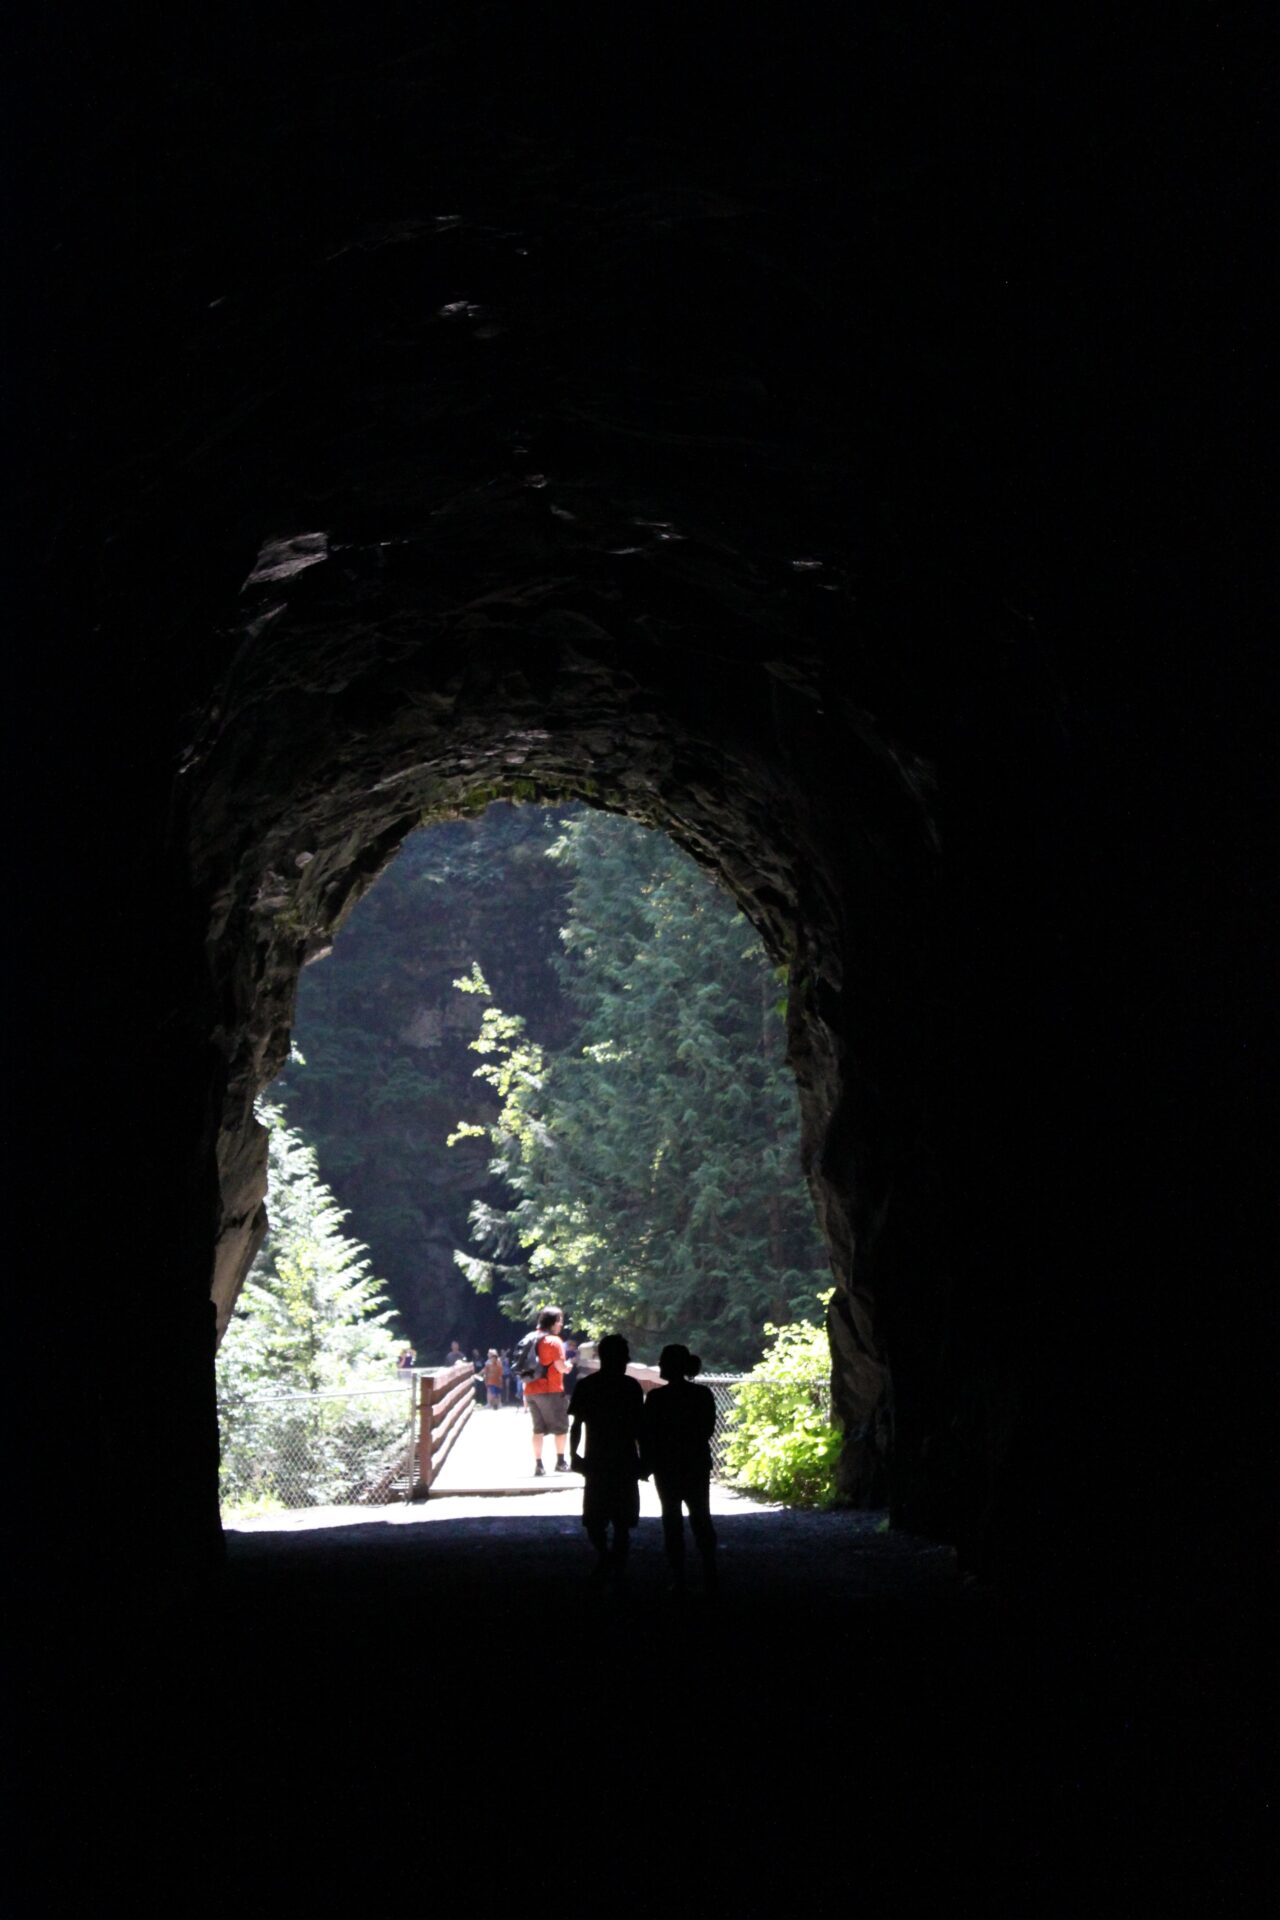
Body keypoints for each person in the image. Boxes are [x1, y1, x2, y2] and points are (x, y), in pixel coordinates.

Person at [639, 1344, 718, 1595]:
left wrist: (646, 1463)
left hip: (667, 1465)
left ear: (670, 1365)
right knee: (701, 1516)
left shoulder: (656, 1398)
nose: (659, 1365)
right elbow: (707, 1429)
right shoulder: (702, 1394)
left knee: (671, 1519)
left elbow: (648, 1434)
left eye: (662, 1361)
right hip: (695, 1462)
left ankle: (679, 1577)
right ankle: (709, 1573)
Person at [569, 1334, 645, 1582]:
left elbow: (577, 1424)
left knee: (594, 1519)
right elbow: (639, 1429)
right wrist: (644, 1459)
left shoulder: (587, 1386)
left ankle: (605, 1558)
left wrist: (574, 1454)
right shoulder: (631, 1387)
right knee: (622, 1521)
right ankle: (616, 1565)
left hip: (597, 1459)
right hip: (623, 1459)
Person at [524, 1307, 572, 1476]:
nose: (561, 1324)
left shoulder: (530, 1338)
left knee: (538, 1429)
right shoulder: (554, 1341)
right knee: (561, 1427)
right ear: (552, 1322)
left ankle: (539, 1465)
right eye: (559, 1320)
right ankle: (560, 1462)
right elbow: (560, 1367)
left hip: (530, 1390)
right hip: (551, 1390)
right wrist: (568, 1367)